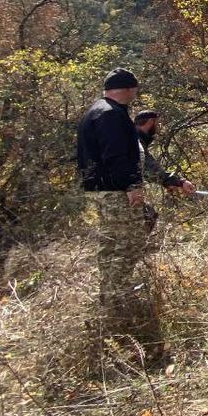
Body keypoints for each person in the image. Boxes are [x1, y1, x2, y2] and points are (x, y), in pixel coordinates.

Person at [76, 68, 154, 335]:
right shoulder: (111, 114)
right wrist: (132, 185)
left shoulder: (94, 111)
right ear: (127, 88)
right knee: (129, 241)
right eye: (134, 88)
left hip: (99, 191)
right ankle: (117, 302)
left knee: (109, 244)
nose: (135, 92)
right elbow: (117, 154)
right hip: (116, 192)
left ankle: (108, 298)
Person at [134, 110, 197, 233]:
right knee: (145, 217)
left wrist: (167, 182)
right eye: (157, 123)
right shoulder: (134, 140)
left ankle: (134, 248)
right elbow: (149, 168)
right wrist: (179, 181)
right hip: (113, 189)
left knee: (147, 215)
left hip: (108, 186)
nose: (158, 127)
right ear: (151, 122)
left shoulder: (134, 137)